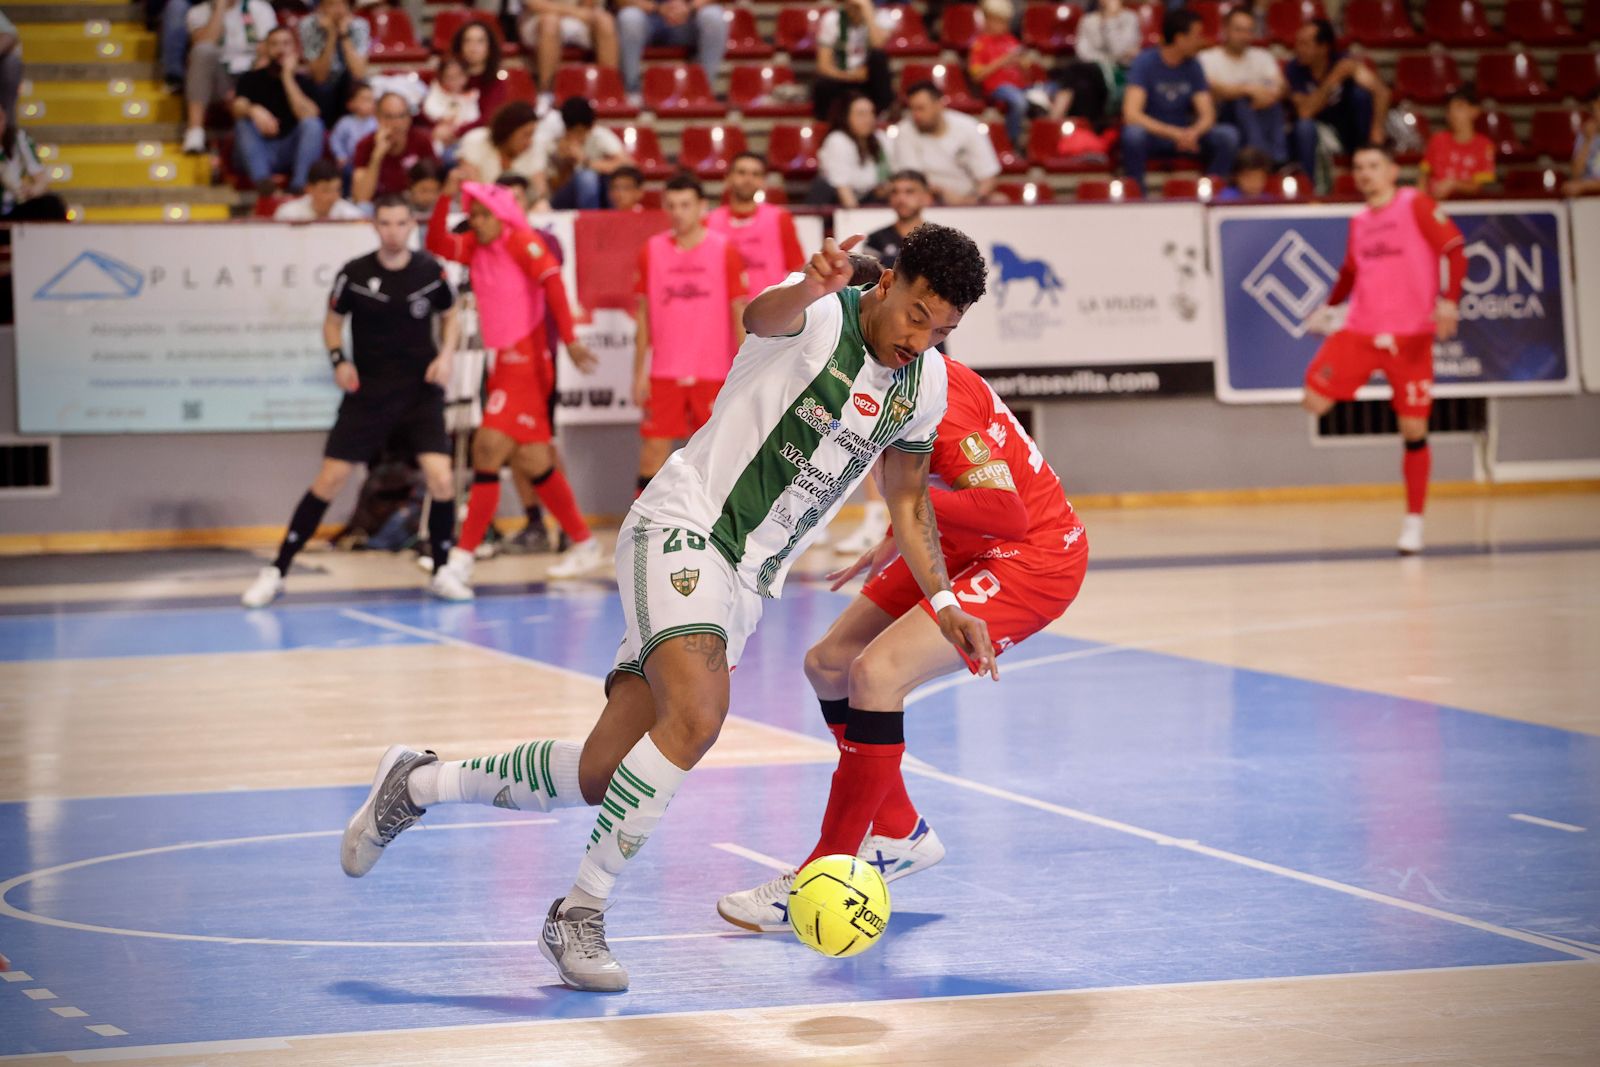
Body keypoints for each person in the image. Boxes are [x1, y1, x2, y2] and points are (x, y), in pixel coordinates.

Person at [340, 223, 995, 995]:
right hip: (682, 527)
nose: (922, 336)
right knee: (698, 714)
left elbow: (908, 493)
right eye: (916, 314)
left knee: (600, 770)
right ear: (886, 286)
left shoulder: (930, 382)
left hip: (746, 581)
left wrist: (944, 596)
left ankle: (416, 783)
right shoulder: (820, 312)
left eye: (942, 327)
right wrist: (811, 285)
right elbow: (763, 315)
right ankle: (578, 911)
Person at [718, 317, 1089, 933]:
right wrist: (903, 530)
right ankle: (899, 833)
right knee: (829, 663)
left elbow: (1007, 511)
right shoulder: (877, 375)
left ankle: (822, 874)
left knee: (876, 674)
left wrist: (905, 504)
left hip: (1034, 557)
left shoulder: (938, 396)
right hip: (965, 541)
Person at [242, 195, 465, 608]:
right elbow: (332, 322)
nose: (393, 231)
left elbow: (451, 313)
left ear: (409, 227)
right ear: (375, 226)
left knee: (442, 478)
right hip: (369, 394)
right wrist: (338, 360)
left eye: (401, 223)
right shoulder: (355, 273)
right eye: (385, 223)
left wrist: (446, 354)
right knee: (330, 479)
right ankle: (277, 569)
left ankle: (442, 569)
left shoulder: (431, 271)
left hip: (419, 393)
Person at [426, 177, 607, 583]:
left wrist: (572, 340)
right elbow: (436, 243)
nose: (475, 221)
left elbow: (553, 282)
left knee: (487, 446)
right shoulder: (476, 245)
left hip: (526, 359)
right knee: (533, 459)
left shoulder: (521, 240)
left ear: (501, 214)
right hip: (503, 361)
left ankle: (461, 559)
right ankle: (583, 542)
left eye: (482, 215)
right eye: (470, 214)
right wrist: (443, 195)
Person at [1301, 146, 1466, 556]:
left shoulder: (1416, 204)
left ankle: (1414, 523)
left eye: (1373, 166)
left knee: (1413, 430)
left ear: (1393, 171)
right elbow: (1350, 271)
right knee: (1314, 402)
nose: (1365, 174)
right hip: (1360, 330)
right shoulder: (1358, 222)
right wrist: (1329, 306)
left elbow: (1454, 249)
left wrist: (1449, 300)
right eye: (1358, 168)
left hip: (1410, 337)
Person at [632, 174, 748, 493]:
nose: (678, 212)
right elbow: (642, 316)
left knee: (715, 458)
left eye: (685, 205)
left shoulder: (724, 250)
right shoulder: (651, 250)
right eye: (671, 206)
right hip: (664, 371)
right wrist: (639, 372)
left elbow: (738, 312)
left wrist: (744, 369)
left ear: (702, 207)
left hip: (714, 370)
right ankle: (640, 532)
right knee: (652, 454)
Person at [1121, 8, 1238, 189]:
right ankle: (1137, 192)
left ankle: (1212, 190)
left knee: (1227, 136)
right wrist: (1174, 133)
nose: (1201, 41)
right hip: (1155, 135)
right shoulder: (1144, 63)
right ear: (1180, 38)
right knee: (1133, 135)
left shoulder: (1194, 66)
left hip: (1186, 135)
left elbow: (1207, 114)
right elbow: (1132, 114)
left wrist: (1194, 132)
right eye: (1196, 35)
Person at [229, 27, 326, 196]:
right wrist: (254, 110)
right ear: (266, 48)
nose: (280, 49)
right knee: (243, 123)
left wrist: (287, 77)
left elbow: (310, 115)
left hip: (291, 151)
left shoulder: (304, 81)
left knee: (313, 125)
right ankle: (264, 185)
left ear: (295, 49)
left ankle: (299, 186)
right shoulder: (250, 78)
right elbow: (237, 107)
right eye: (274, 44)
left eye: (286, 44)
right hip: (259, 150)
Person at [1287, 18, 1391, 174]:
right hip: (1319, 131)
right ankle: (1309, 188)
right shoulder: (1294, 69)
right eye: (1298, 43)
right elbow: (1305, 113)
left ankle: (1366, 156)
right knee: (1304, 127)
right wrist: (1333, 78)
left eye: (1305, 44)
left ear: (1323, 48)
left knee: (1361, 95)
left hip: (1350, 128)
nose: (1298, 49)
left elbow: (1383, 93)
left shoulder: (1346, 62)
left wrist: (1377, 131)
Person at [969, 0, 1069, 152]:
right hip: (997, 88)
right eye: (999, 21)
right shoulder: (980, 44)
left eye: (1005, 22)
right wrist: (1003, 60)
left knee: (1058, 89)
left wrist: (1024, 66)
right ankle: (1012, 142)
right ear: (988, 20)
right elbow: (977, 76)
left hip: (1021, 87)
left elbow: (1027, 74)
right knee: (1019, 101)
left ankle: (1049, 137)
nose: (1003, 26)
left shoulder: (1011, 40)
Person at [183, 0, 278, 155]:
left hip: (251, 76)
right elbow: (204, 45)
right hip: (219, 79)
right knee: (203, 51)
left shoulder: (260, 9)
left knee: (267, 59)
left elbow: (268, 51)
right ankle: (195, 132)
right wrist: (219, 8)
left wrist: (244, 89)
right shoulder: (197, 13)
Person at [707, 152, 805, 297]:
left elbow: (797, 269)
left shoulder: (780, 218)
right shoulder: (709, 221)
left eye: (756, 174)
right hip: (723, 310)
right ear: (727, 178)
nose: (748, 179)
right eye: (741, 173)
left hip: (769, 310)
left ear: (763, 182)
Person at [1201, 8, 1290, 168]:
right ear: (1225, 30)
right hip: (1223, 118)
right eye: (1239, 30)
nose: (1244, 36)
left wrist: (1267, 95)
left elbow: (1281, 86)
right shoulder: (1208, 58)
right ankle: (1263, 159)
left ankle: (1277, 157)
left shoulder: (1262, 56)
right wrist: (1248, 89)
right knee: (1241, 100)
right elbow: (1212, 88)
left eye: (1249, 31)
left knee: (1272, 102)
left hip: (1262, 115)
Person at [891, 80, 1004, 205]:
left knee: (999, 200)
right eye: (912, 109)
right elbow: (910, 181)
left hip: (969, 198)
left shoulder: (968, 126)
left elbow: (988, 177)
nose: (916, 115)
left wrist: (971, 200)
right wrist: (941, 193)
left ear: (939, 105)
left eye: (921, 108)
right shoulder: (905, 130)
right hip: (927, 200)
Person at [1051, 0, 1143, 124]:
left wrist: (1110, 19)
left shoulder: (1130, 18)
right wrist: (1105, 60)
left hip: (1119, 71)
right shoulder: (1088, 20)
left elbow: (1118, 49)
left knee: (1074, 71)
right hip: (1091, 70)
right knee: (1083, 86)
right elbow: (1082, 52)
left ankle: (1054, 119)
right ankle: (1085, 129)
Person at [616, 0, 728, 102]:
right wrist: (658, 8)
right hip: (647, 17)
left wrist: (689, 7)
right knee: (629, 17)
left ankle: (702, 90)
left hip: (688, 18)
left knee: (714, 16)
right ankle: (631, 91)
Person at [532, 96, 631, 209]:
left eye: (583, 131)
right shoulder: (552, 143)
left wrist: (586, 162)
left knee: (610, 181)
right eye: (576, 131)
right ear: (566, 128)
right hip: (561, 200)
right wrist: (565, 164)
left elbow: (627, 165)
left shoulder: (598, 135)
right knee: (586, 178)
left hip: (599, 197)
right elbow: (551, 189)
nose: (580, 136)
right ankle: (590, 222)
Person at [520, 0, 618, 107]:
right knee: (550, 23)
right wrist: (576, 12)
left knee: (605, 20)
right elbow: (535, 4)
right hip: (539, 17)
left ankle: (609, 91)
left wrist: (582, 12)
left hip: (578, 17)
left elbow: (589, 5)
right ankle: (546, 93)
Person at [813, 0, 894, 122]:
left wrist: (867, 11)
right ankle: (826, 123)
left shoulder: (881, 17)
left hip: (868, 78)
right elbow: (823, 65)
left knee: (879, 58)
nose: (853, 8)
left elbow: (878, 44)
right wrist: (849, 76)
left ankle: (882, 114)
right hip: (842, 76)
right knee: (822, 84)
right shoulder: (832, 19)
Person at [351, 91, 438, 203]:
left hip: (414, 204)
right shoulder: (365, 145)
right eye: (389, 117)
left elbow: (434, 188)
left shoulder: (422, 140)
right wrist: (377, 156)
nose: (396, 123)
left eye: (401, 116)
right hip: (379, 206)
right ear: (377, 117)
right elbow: (361, 197)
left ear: (409, 118)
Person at [812, 93, 893, 207]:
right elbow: (843, 189)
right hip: (838, 206)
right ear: (846, 117)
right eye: (861, 114)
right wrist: (857, 220)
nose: (868, 119)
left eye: (871, 113)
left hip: (870, 201)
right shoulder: (837, 140)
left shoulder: (881, 138)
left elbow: (894, 177)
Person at [297, 0, 369, 123]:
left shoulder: (359, 24)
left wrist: (344, 35)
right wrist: (331, 35)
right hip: (321, 85)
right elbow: (320, 77)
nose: (338, 9)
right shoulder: (309, 25)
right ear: (320, 8)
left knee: (360, 91)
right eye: (331, 4)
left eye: (342, 4)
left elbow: (359, 74)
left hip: (347, 81)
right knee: (322, 89)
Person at [1420, 87, 1495, 200]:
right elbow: (1423, 178)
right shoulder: (1437, 139)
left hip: (1467, 209)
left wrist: (1454, 184)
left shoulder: (1484, 145)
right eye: (1449, 109)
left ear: (1474, 111)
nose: (1453, 113)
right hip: (1434, 205)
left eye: (1459, 107)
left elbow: (1478, 187)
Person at [0, 103, 68, 221]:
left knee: (52, 205)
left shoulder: (19, 139)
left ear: (5, 118)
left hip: (13, 207)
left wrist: (31, 190)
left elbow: (42, 180)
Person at [455, 99, 540, 189]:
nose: (529, 141)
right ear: (508, 131)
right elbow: (472, 189)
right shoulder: (476, 140)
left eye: (532, 135)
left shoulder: (531, 150)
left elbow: (541, 192)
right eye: (526, 135)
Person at [863, 169, 930, 270]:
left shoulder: (940, 240)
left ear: (926, 197)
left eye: (909, 192)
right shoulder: (875, 239)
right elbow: (869, 280)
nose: (901, 198)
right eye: (895, 192)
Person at [451, 20, 506, 131]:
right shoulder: (449, 76)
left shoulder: (496, 82)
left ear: (489, 48)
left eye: (480, 41)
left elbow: (489, 118)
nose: (473, 47)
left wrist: (456, 132)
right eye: (468, 41)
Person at [422, 57, 480, 159]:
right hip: (440, 136)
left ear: (466, 76)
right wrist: (443, 119)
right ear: (442, 77)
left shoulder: (470, 96)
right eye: (449, 76)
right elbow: (429, 109)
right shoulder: (437, 91)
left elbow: (474, 117)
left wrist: (457, 129)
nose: (454, 81)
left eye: (458, 76)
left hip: (462, 138)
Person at [274, 158, 365, 220]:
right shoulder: (288, 214)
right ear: (309, 189)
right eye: (326, 190)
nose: (332, 197)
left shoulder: (352, 216)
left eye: (337, 190)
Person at [330, 81, 376, 173]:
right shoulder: (345, 122)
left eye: (372, 99)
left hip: (371, 162)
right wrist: (341, 155)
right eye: (365, 99)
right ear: (351, 103)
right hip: (350, 162)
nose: (370, 103)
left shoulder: (377, 122)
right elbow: (336, 140)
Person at [1565, 90, 1600, 197]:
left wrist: (1584, 186)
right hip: (1587, 201)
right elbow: (1575, 174)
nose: (1597, 113)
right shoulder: (1585, 135)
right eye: (1594, 109)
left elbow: (1579, 184)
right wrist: (1587, 141)